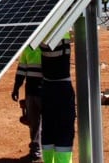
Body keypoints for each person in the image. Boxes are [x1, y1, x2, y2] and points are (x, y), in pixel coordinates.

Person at [40, 31, 75, 163]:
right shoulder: (62, 28)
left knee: (48, 128)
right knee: (64, 131)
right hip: (62, 88)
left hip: (47, 88)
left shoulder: (41, 32)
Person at [11, 45, 43, 163]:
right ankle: (36, 153)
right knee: (34, 123)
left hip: (44, 91)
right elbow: (21, 70)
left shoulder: (48, 47)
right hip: (31, 92)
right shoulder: (28, 49)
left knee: (42, 123)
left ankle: (43, 152)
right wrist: (16, 88)